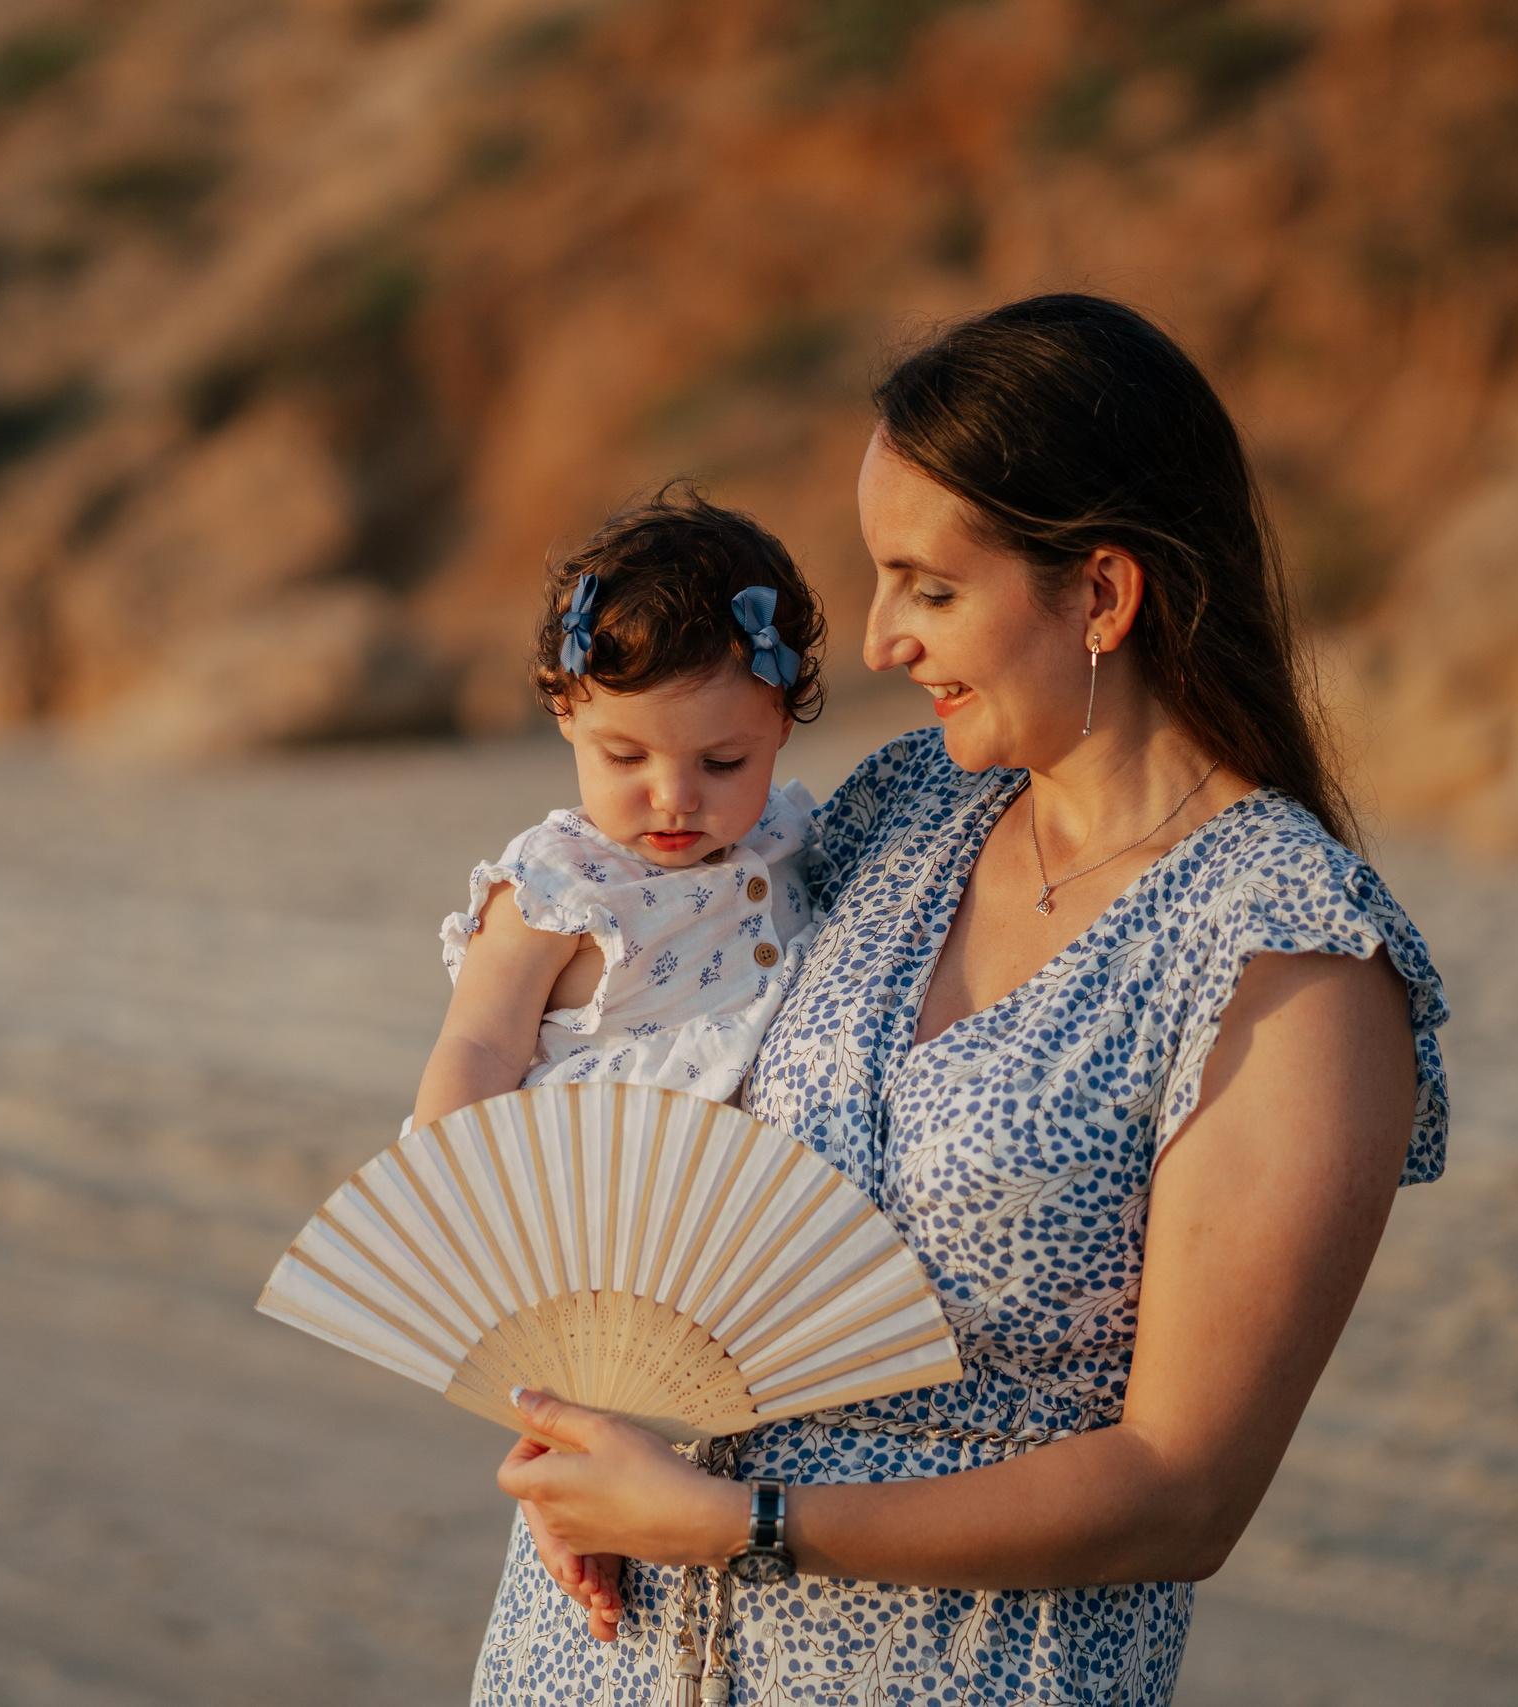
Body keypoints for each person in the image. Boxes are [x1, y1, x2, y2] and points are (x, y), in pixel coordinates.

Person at [474, 294, 1451, 1707]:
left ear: (1101, 595)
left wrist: (743, 1527)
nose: (877, 642)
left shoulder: (1288, 963)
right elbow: (639, 1061)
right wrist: (574, 1426)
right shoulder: (899, 810)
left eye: (928, 586)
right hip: (597, 1652)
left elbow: (1184, 1492)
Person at [409, 488, 831, 1134]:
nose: (675, 798)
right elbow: (479, 1047)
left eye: (722, 764)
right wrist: (441, 1185)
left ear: (781, 724)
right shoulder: (553, 889)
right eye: (628, 758)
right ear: (565, 709)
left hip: (749, 1204)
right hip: (587, 1193)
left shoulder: (790, 837)